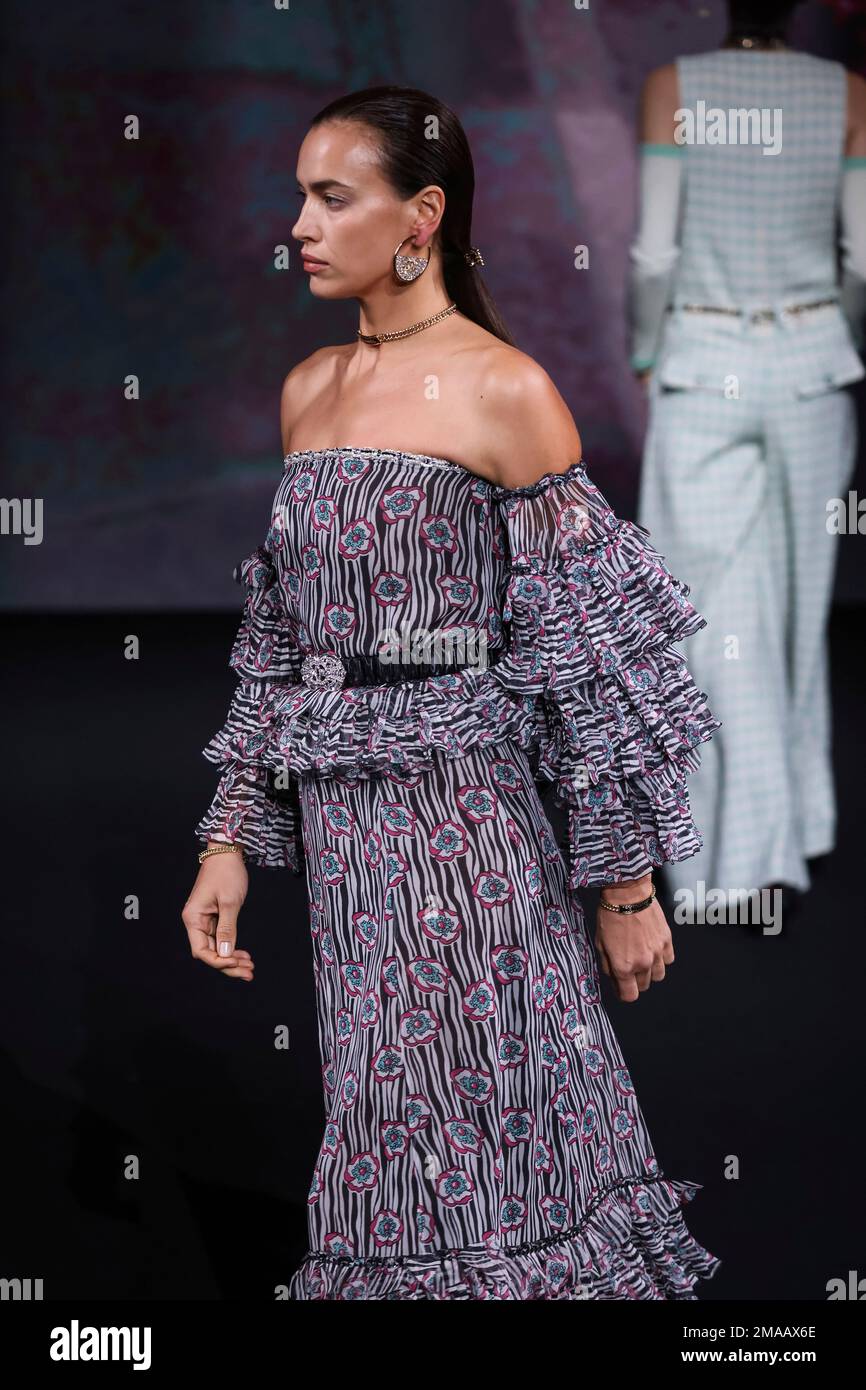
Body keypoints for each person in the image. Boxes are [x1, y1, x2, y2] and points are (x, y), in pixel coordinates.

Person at [182, 86, 722, 1300]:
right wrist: (228, 835)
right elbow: (278, 641)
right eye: (300, 197)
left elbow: (592, 652)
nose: (300, 227)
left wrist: (626, 880)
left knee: (504, 1091)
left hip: (467, 819)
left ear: (419, 215)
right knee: (383, 1103)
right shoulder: (307, 390)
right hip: (344, 831)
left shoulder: (504, 391)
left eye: (332, 198)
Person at [628, 0, 866, 918]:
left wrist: (646, 352)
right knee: (795, 615)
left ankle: (718, 854)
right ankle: (785, 831)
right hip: (812, 365)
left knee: (703, 611)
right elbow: (864, 256)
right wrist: (828, 342)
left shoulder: (673, 87)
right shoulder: (845, 91)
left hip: (704, 361)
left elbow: (655, 252)